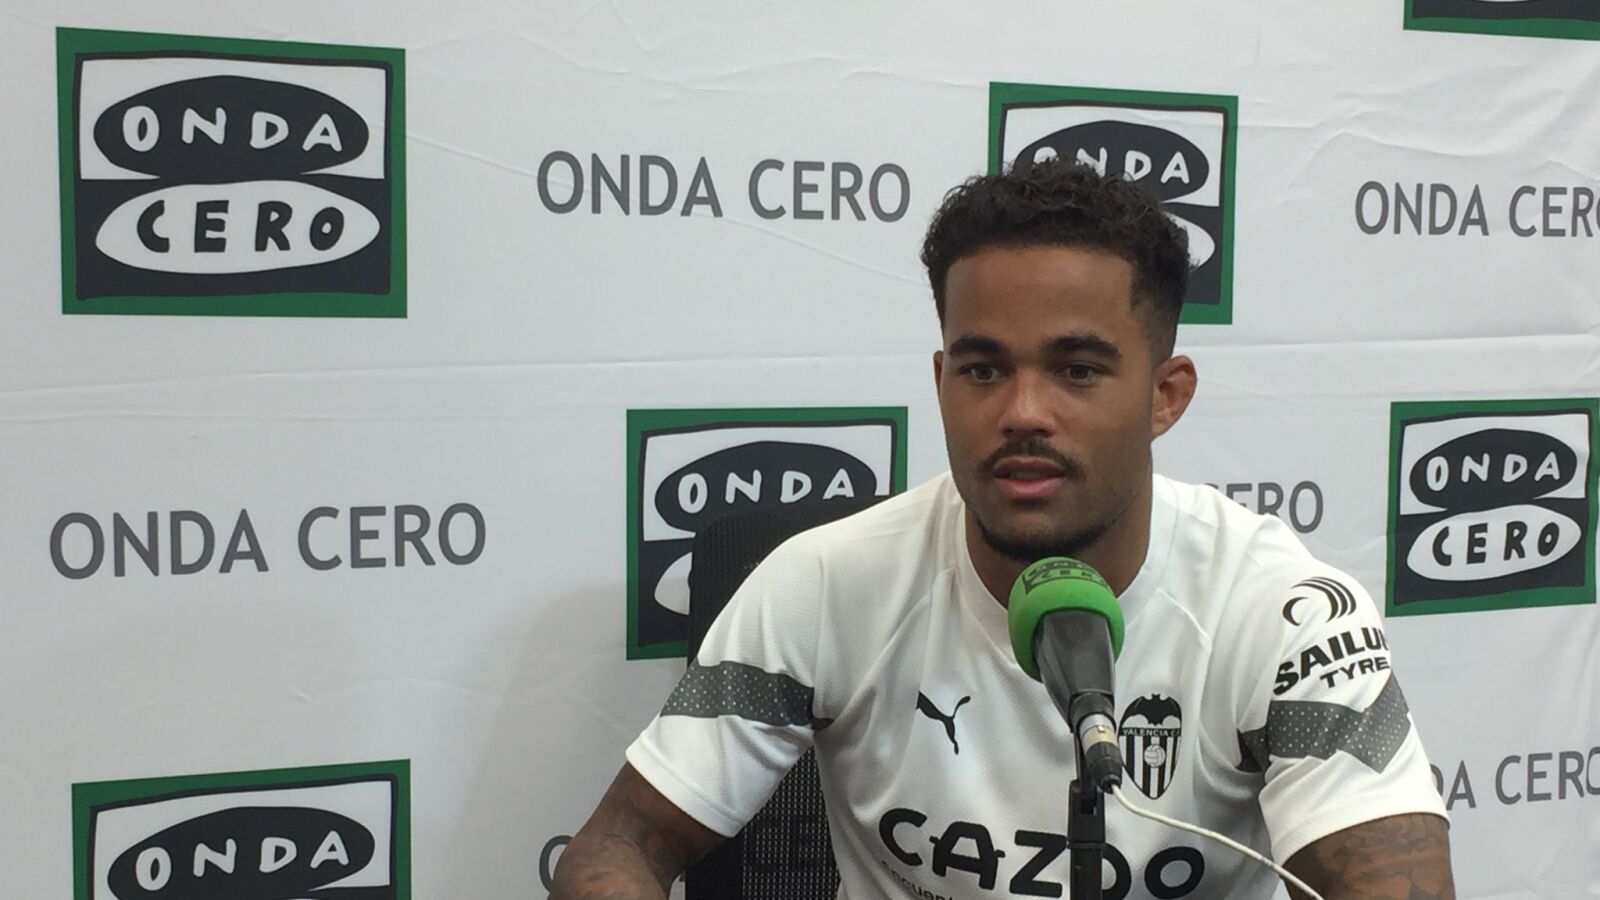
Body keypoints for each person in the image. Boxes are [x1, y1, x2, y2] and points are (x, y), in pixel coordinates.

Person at [551, 159, 1454, 899]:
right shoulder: (825, 582)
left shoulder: (1282, 613)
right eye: (983, 370)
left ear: (1165, 395)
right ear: (942, 381)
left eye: (1077, 370)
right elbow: (619, 847)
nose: (1023, 412)